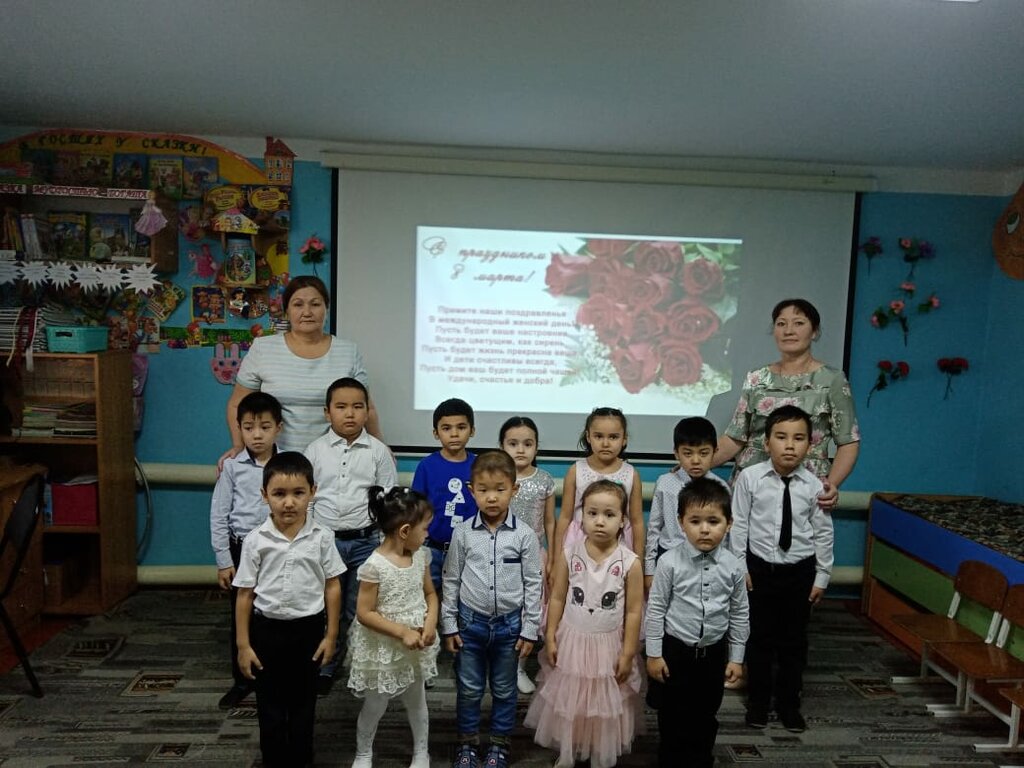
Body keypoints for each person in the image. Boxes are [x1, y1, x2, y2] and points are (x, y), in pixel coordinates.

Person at [233, 452, 345, 768]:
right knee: (269, 704)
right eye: (279, 494)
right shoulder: (255, 540)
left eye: (298, 493)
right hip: (266, 632)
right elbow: (245, 594)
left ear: (313, 492)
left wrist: (331, 636)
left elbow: (333, 586)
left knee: (303, 703)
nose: (289, 503)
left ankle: (301, 759)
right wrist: (243, 645)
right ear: (264, 495)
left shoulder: (322, 537)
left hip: (308, 631)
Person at [525, 479, 644, 768]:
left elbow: (633, 612)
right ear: (582, 517)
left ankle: (600, 753)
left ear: (622, 520)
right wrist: (550, 635)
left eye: (609, 514)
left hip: (609, 644)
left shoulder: (630, 562)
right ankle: (568, 751)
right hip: (573, 641)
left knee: (603, 701)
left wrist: (628, 653)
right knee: (571, 699)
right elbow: (557, 598)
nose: (600, 521)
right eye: (592, 513)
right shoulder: (570, 553)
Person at [730, 404, 833, 733]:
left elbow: (823, 533)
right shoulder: (750, 478)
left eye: (798, 438)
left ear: (809, 444)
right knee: (758, 638)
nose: (790, 445)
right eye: (781, 437)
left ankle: (789, 703)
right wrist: (740, 566)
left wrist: (822, 576)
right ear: (767, 442)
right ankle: (758, 702)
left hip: (799, 571)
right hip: (759, 570)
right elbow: (739, 525)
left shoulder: (814, 486)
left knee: (794, 642)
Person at [441, 451, 543, 768]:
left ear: (514, 489)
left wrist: (530, 629)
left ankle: (499, 746)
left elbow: (534, 583)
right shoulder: (462, 532)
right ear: (472, 490)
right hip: (470, 624)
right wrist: (449, 624)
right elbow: (451, 578)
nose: (492, 497)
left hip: (509, 628)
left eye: (500, 489)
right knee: (469, 689)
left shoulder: (525, 535)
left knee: (504, 689)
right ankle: (467, 745)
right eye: (484, 490)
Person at [714, 298, 860, 507]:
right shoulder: (756, 378)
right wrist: (694, 463)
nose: (788, 331)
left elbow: (848, 442)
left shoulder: (832, 380)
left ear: (814, 331)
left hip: (806, 486)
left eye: (798, 323)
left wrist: (831, 485)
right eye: (781, 324)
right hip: (752, 484)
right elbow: (734, 438)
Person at [645, 477, 749, 768]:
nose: (704, 529)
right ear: (681, 523)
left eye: (713, 521)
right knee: (672, 714)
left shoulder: (734, 567)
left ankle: (701, 759)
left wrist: (736, 657)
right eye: (695, 521)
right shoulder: (669, 563)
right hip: (676, 650)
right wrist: (654, 654)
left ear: (729, 523)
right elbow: (655, 610)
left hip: (713, 653)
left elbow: (740, 612)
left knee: (705, 714)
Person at [222, 275, 383, 458]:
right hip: (275, 461)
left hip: (337, 462)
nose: (307, 312)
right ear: (286, 311)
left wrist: (380, 448)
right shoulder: (263, 348)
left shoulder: (348, 351)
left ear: (326, 309)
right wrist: (239, 446)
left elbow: (367, 408)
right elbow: (236, 404)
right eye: (298, 304)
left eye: (315, 304)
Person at [305, 377, 397, 695]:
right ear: (327, 412)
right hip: (326, 541)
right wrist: (311, 539)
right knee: (325, 608)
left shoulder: (378, 451)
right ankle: (326, 666)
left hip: (365, 543)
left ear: (367, 411)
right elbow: (308, 500)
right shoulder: (315, 450)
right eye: (341, 406)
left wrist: (384, 545)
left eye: (358, 407)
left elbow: (388, 501)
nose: (350, 413)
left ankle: (360, 665)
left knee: (358, 609)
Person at [347, 486, 439, 768]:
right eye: (425, 529)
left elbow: (431, 595)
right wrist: (401, 632)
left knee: (417, 701)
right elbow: (364, 613)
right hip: (383, 647)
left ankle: (421, 752)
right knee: (376, 704)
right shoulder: (374, 566)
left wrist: (430, 623)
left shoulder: (420, 556)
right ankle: (364, 753)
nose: (427, 535)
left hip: (415, 645)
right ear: (405, 531)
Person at [209, 392, 283, 709]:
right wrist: (224, 560)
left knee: (275, 615)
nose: (257, 435)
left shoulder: (288, 464)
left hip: (278, 551)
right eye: (249, 427)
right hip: (242, 551)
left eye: (264, 427)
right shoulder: (232, 467)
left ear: (278, 428)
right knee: (242, 616)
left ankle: (273, 675)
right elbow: (219, 515)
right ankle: (242, 681)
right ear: (239, 428)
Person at [498, 415, 555, 695]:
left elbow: (550, 522)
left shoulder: (544, 480)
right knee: (501, 610)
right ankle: (498, 663)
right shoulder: (497, 478)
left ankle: (518, 667)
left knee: (527, 613)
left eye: (527, 444)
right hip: (499, 555)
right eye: (513, 443)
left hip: (533, 558)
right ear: (502, 446)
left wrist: (552, 556)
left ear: (536, 447)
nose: (520, 449)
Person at [644, 416, 731, 593]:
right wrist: (649, 570)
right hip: (668, 554)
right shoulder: (665, 483)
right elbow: (654, 528)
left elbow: (726, 534)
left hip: (708, 558)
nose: (696, 460)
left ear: (715, 451)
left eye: (703, 453)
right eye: (688, 453)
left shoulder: (721, 487)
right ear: (676, 453)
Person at [555, 407, 644, 562]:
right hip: (578, 546)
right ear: (588, 437)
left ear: (624, 439)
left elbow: (637, 522)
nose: (605, 443)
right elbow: (564, 517)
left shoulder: (631, 474)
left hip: (618, 547)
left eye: (613, 437)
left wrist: (640, 561)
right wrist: (556, 558)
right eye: (598, 436)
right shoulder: (576, 470)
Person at [412, 397, 478, 596]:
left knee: (465, 599)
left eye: (461, 427)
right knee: (428, 598)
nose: (454, 434)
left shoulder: (479, 466)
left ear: (472, 430)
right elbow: (416, 509)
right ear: (436, 433)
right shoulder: (426, 466)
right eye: (446, 428)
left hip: (470, 551)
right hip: (432, 548)